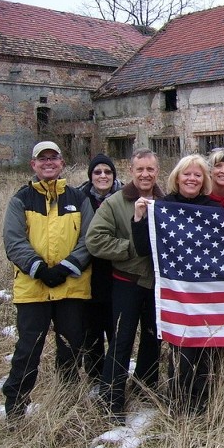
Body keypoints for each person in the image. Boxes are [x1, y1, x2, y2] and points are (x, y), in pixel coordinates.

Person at [2, 141, 93, 426]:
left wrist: (67, 267)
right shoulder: (21, 200)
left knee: (71, 347)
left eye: (53, 158)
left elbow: (90, 239)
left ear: (62, 162)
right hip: (33, 289)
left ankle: (65, 401)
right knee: (28, 349)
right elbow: (14, 241)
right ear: (34, 165)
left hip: (71, 287)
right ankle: (15, 408)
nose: (48, 163)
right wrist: (39, 268)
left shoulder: (79, 198)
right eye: (42, 160)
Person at [133, 154, 220, 415]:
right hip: (176, 290)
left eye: (197, 175)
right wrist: (140, 218)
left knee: (205, 347)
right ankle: (179, 404)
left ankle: (203, 402)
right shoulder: (164, 206)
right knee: (180, 347)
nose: (192, 178)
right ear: (177, 178)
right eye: (187, 174)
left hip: (206, 290)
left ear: (204, 180)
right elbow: (142, 248)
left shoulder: (214, 208)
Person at [86, 148, 164, 425]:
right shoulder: (116, 203)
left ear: (157, 171)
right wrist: (131, 248)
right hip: (126, 283)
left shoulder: (166, 202)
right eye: (140, 169)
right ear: (131, 171)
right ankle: (112, 399)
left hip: (156, 285)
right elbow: (95, 240)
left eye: (150, 169)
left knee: (153, 340)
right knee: (121, 341)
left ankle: (145, 388)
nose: (145, 174)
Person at [78, 153, 123, 381]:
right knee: (92, 330)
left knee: (116, 330)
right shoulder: (80, 198)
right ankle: (95, 377)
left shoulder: (125, 196)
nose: (103, 176)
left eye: (108, 172)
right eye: (98, 172)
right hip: (89, 275)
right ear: (91, 176)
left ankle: (114, 377)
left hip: (117, 274)